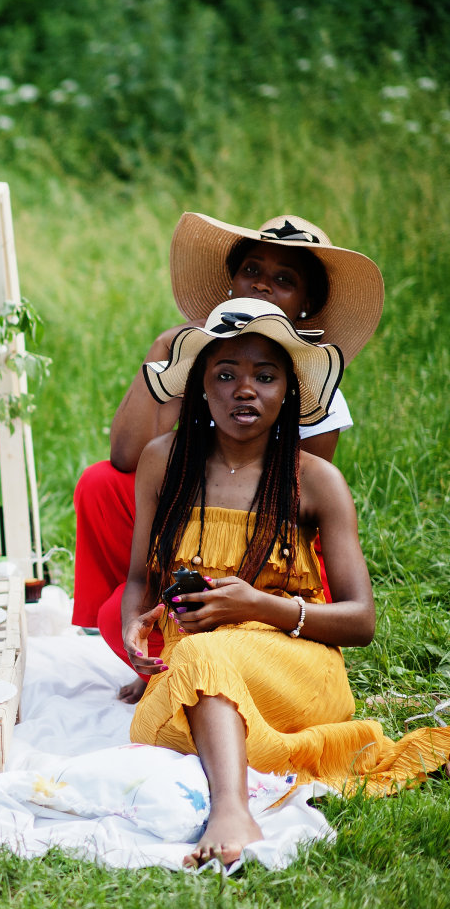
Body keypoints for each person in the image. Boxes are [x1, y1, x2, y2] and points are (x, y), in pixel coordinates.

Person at [119, 299, 450, 868]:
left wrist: (259, 605)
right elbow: (136, 582)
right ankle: (246, 753)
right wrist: (134, 624)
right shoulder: (162, 461)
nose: (244, 391)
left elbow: (360, 620)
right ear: (200, 386)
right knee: (182, 684)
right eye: (225, 375)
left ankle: (231, 810)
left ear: (287, 392)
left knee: (201, 655)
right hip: (195, 667)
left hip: (295, 660)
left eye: (265, 377)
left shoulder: (315, 480)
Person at [75, 213, 385, 700]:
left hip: (273, 551)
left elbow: (285, 496)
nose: (262, 285)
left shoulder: (310, 389)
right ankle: (156, 625)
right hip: (195, 517)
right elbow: (127, 454)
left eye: (285, 280)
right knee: (99, 483)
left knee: (220, 636)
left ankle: (198, 637)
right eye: (252, 271)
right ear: (231, 282)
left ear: (307, 305)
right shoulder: (203, 359)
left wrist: (247, 602)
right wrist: (167, 347)